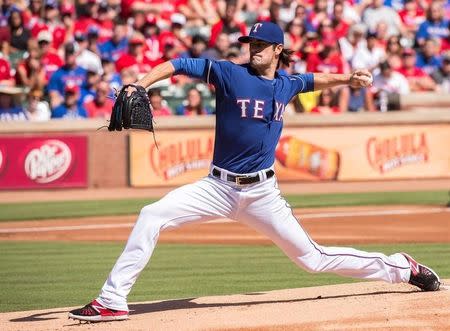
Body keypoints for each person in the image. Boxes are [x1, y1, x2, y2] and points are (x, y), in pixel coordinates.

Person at [68, 22, 441, 323]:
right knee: (152, 214)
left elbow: (313, 79)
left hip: (263, 194)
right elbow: (179, 63)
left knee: (312, 259)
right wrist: (140, 82)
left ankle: (400, 267)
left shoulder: (286, 83)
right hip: (216, 186)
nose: (254, 47)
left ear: (278, 49)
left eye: (262, 43)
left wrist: (348, 79)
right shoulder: (229, 73)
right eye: (251, 42)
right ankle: (112, 300)